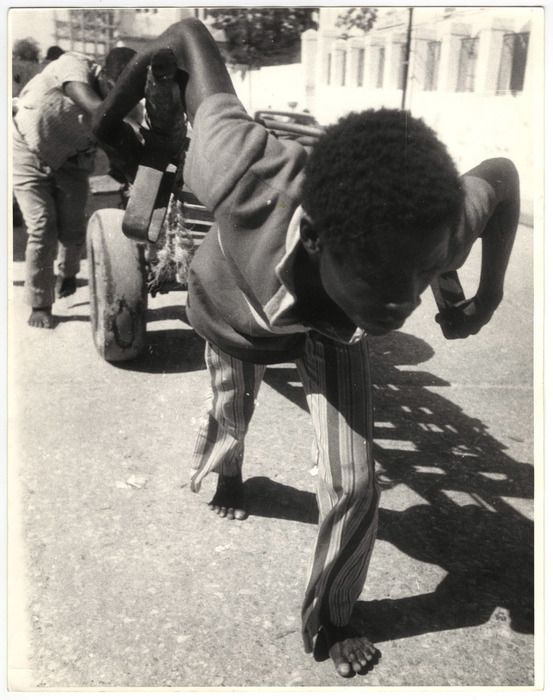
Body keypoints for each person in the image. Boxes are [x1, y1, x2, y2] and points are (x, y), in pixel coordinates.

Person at [92, 18, 520, 678]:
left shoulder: (429, 226)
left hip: (331, 329)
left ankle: (331, 617)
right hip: (236, 307)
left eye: (421, 272)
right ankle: (228, 469)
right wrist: (105, 125)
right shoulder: (244, 174)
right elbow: (185, 35)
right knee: (232, 408)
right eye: (382, 278)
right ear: (317, 237)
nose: (403, 303)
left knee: (353, 482)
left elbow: (499, 174)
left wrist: (484, 295)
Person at [12, 46, 136, 328]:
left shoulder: (124, 103)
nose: (117, 98)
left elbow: (123, 148)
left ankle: (67, 274)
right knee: (43, 226)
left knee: (73, 227)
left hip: (71, 160)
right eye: (114, 88)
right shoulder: (75, 65)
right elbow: (91, 105)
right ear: (103, 74)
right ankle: (40, 303)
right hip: (26, 149)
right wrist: (122, 117)